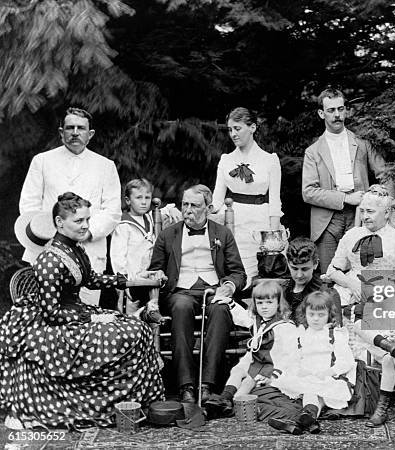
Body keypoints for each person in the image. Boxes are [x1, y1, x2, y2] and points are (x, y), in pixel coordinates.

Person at [1, 192, 164, 429]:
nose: (86, 226)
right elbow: (51, 313)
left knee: (136, 329)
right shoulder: (49, 259)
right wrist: (93, 317)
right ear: (59, 222)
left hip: (74, 313)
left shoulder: (74, 248)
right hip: (51, 325)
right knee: (125, 333)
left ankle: (133, 403)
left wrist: (129, 280)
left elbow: (91, 279)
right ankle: (102, 406)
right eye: (79, 221)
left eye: (87, 219)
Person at [148, 184, 247, 404]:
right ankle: (186, 386)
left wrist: (229, 286)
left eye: (194, 205)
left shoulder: (222, 233)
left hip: (213, 289)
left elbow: (238, 272)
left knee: (221, 309)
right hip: (179, 291)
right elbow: (155, 270)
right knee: (181, 307)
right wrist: (159, 275)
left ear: (209, 208)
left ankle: (208, 385)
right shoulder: (167, 235)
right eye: (185, 204)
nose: (187, 210)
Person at [19, 107, 122, 306]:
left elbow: (113, 211)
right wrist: (46, 232)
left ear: (90, 134)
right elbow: (29, 204)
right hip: (47, 250)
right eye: (70, 127)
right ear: (61, 132)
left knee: (86, 315)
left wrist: (87, 232)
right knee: (46, 313)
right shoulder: (42, 161)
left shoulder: (105, 166)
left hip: (89, 250)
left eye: (81, 128)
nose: (75, 133)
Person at [302, 88, 395, 273]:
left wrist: (384, 202)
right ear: (321, 113)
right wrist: (345, 198)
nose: (337, 115)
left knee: (363, 273)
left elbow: (386, 174)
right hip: (327, 221)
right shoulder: (313, 151)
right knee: (329, 276)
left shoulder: (362, 142)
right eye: (331, 110)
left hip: (360, 215)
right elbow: (308, 192)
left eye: (341, 109)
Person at [203, 280, 297, 419]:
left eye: (269, 303)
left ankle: (233, 404)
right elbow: (242, 317)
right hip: (256, 360)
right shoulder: (258, 320)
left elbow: (289, 355)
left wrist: (274, 374)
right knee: (237, 371)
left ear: (278, 303)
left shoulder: (284, 327)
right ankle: (224, 398)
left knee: (247, 382)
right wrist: (229, 303)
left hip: (269, 365)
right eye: (260, 303)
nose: (264, 307)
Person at [211, 107, 283, 284]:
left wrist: (272, 238)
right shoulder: (226, 160)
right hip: (233, 220)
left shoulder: (269, 160)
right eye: (230, 130)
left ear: (252, 128)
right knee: (235, 271)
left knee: (262, 273)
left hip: (260, 219)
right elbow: (216, 200)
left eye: (238, 128)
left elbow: (275, 202)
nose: (233, 134)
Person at [269, 291, 356, 435]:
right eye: (311, 314)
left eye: (321, 315)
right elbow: (294, 358)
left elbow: (346, 361)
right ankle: (308, 422)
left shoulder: (335, 335)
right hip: (308, 373)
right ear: (305, 314)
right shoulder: (302, 335)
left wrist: (328, 372)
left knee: (314, 390)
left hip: (329, 375)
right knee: (310, 389)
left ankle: (300, 422)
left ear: (329, 314)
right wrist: (298, 369)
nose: (316, 319)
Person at [326, 185, 395, 316]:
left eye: (370, 211)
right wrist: (352, 284)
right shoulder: (351, 235)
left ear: (386, 213)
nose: (365, 216)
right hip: (349, 292)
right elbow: (333, 271)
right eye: (362, 211)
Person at [110, 178, 157, 314]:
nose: (144, 202)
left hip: (148, 279)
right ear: (128, 200)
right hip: (131, 282)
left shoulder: (150, 219)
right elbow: (118, 257)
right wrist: (125, 281)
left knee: (149, 315)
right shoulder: (123, 225)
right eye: (138, 197)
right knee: (130, 316)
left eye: (147, 197)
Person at [284, 236, 341, 324]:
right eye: (294, 269)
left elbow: (337, 330)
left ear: (315, 264)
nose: (299, 275)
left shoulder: (328, 294)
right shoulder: (281, 290)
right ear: (288, 264)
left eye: (305, 269)